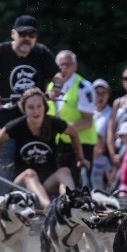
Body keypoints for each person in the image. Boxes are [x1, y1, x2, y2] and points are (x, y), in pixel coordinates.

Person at [0, 15, 59, 185]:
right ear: (13, 33)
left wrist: (55, 88)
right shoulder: (0, 52)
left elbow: (57, 76)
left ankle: (41, 206)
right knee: (3, 171)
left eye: (32, 35)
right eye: (23, 34)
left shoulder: (41, 52)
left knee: (41, 166)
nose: (27, 39)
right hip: (4, 121)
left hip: (33, 126)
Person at [0, 88, 87, 209]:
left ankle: (70, 206)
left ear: (44, 107)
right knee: (30, 174)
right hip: (22, 184)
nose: (36, 111)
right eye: (31, 107)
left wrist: (81, 158)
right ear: (24, 109)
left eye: (39, 106)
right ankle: (49, 209)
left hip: (47, 182)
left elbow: (73, 133)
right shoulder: (17, 125)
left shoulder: (53, 122)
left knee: (65, 171)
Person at [47, 50, 96, 187]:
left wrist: (65, 129)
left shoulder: (84, 87)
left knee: (80, 185)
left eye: (68, 64)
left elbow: (87, 121)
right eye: (61, 64)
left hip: (82, 143)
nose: (64, 67)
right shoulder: (52, 86)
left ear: (75, 66)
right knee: (65, 184)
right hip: (61, 143)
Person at [90, 78, 114, 192]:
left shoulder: (111, 113)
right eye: (97, 93)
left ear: (108, 95)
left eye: (103, 93)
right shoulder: (88, 111)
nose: (100, 96)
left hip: (103, 155)